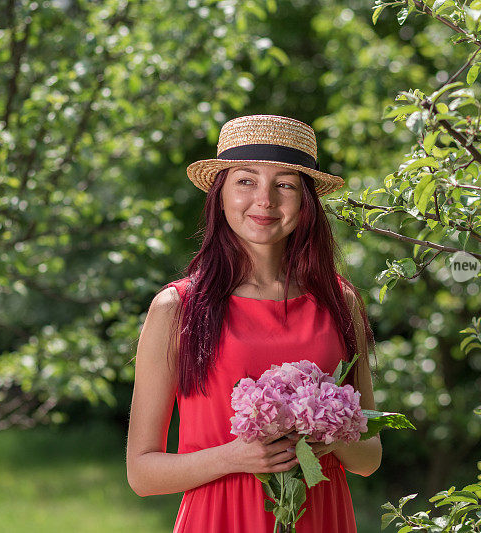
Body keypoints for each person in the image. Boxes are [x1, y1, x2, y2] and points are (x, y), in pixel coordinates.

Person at [126, 114, 381, 532]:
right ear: (220, 193)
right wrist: (234, 457)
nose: (265, 200)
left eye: (284, 184)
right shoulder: (177, 308)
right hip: (220, 519)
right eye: (246, 180)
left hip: (322, 519)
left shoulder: (341, 302)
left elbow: (369, 459)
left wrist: (329, 431)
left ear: (305, 202)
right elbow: (141, 474)